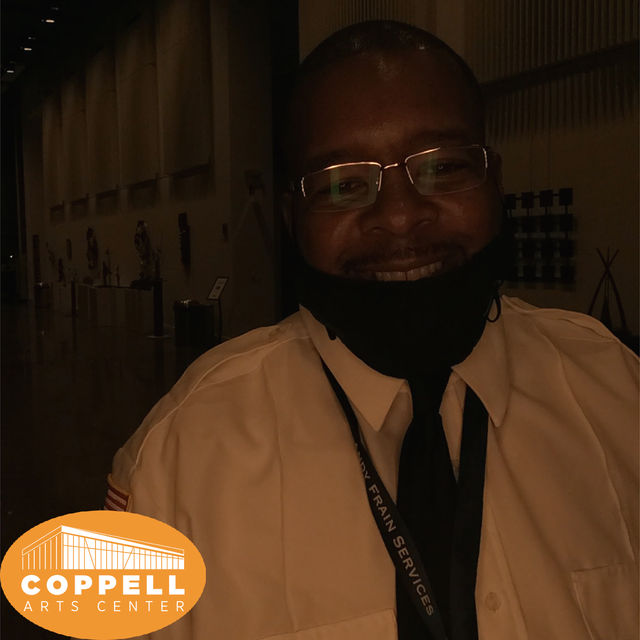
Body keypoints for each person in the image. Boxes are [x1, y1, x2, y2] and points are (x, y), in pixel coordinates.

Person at [107, 20, 639, 640]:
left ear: (495, 181)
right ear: (292, 219)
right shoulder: (183, 453)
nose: (401, 215)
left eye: (442, 167)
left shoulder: (615, 393)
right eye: (343, 184)